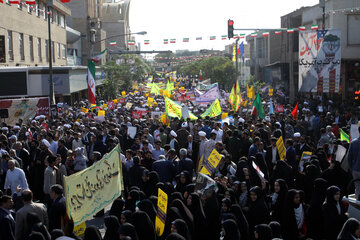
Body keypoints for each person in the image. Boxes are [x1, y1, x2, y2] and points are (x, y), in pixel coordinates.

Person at [347, 126, 360, 199]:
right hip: (355, 169)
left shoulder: (353, 142)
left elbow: (349, 158)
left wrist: (352, 169)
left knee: (358, 188)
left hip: (355, 170)